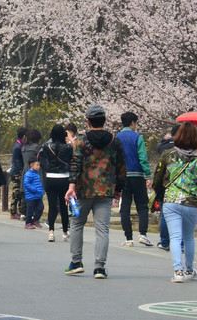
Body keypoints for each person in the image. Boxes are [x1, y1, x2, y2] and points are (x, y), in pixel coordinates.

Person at [64, 104, 126, 279]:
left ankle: (76, 262)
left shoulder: (81, 141)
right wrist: (119, 188)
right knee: (102, 230)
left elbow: (75, 164)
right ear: (105, 120)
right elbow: (121, 167)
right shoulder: (115, 141)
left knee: (76, 224)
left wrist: (71, 186)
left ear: (87, 121)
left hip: (82, 191)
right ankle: (99, 267)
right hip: (105, 191)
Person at [152, 121, 197, 283]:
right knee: (189, 237)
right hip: (191, 202)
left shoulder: (168, 155)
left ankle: (178, 271)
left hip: (171, 201)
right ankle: (189, 269)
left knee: (175, 237)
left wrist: (158, 192)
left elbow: (157, 178)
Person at [117, 112, 154, 247]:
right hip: (137, 176)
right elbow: (143, 158)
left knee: (125, 207)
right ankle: (143, 234)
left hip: (123, 177)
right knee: (142, 206)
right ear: (133, 122)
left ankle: (128, 238)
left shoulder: (117, 138)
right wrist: (148, 176)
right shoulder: (138, 137)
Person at [39, 124, 72, 242]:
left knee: (52, 206)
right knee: (64, 207)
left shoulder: (47, 146)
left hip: (51, 178)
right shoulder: (68, 148)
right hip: (64, 178)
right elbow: (73, 160)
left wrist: (48, 168)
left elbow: (41, 158)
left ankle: (51, 232)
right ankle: (64, 232)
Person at [155, 125, 179, 251]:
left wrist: (164, 140)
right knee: (181, 216)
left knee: (165, 214)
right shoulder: (187, 147)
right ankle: (181, 245)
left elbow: (158, 148)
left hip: (166, 184)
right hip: (181, 185)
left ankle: (164, 242)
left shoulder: (164, 146)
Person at [8, 128, 27, 219]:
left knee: (18, 192)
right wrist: (20, 171)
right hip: (16, 172)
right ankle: (13, 212)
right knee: (16, 192)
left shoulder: (20, 145)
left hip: (18, 171)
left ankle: (17, 211)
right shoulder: (18, 147)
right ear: (24, 136)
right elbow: (16, 161)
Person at [23, 153, 45, 229]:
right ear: (31, 165)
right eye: (37, 165)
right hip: (31, 196)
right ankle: (28, 222)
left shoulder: (36, 174)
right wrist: (34, 190)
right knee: (30, 210)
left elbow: (39, 183)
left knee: (40, 208)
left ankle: (35, 220)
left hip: (38, 195)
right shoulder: (29, 174)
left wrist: (41, 190)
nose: (39, 167)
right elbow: (26, 183)